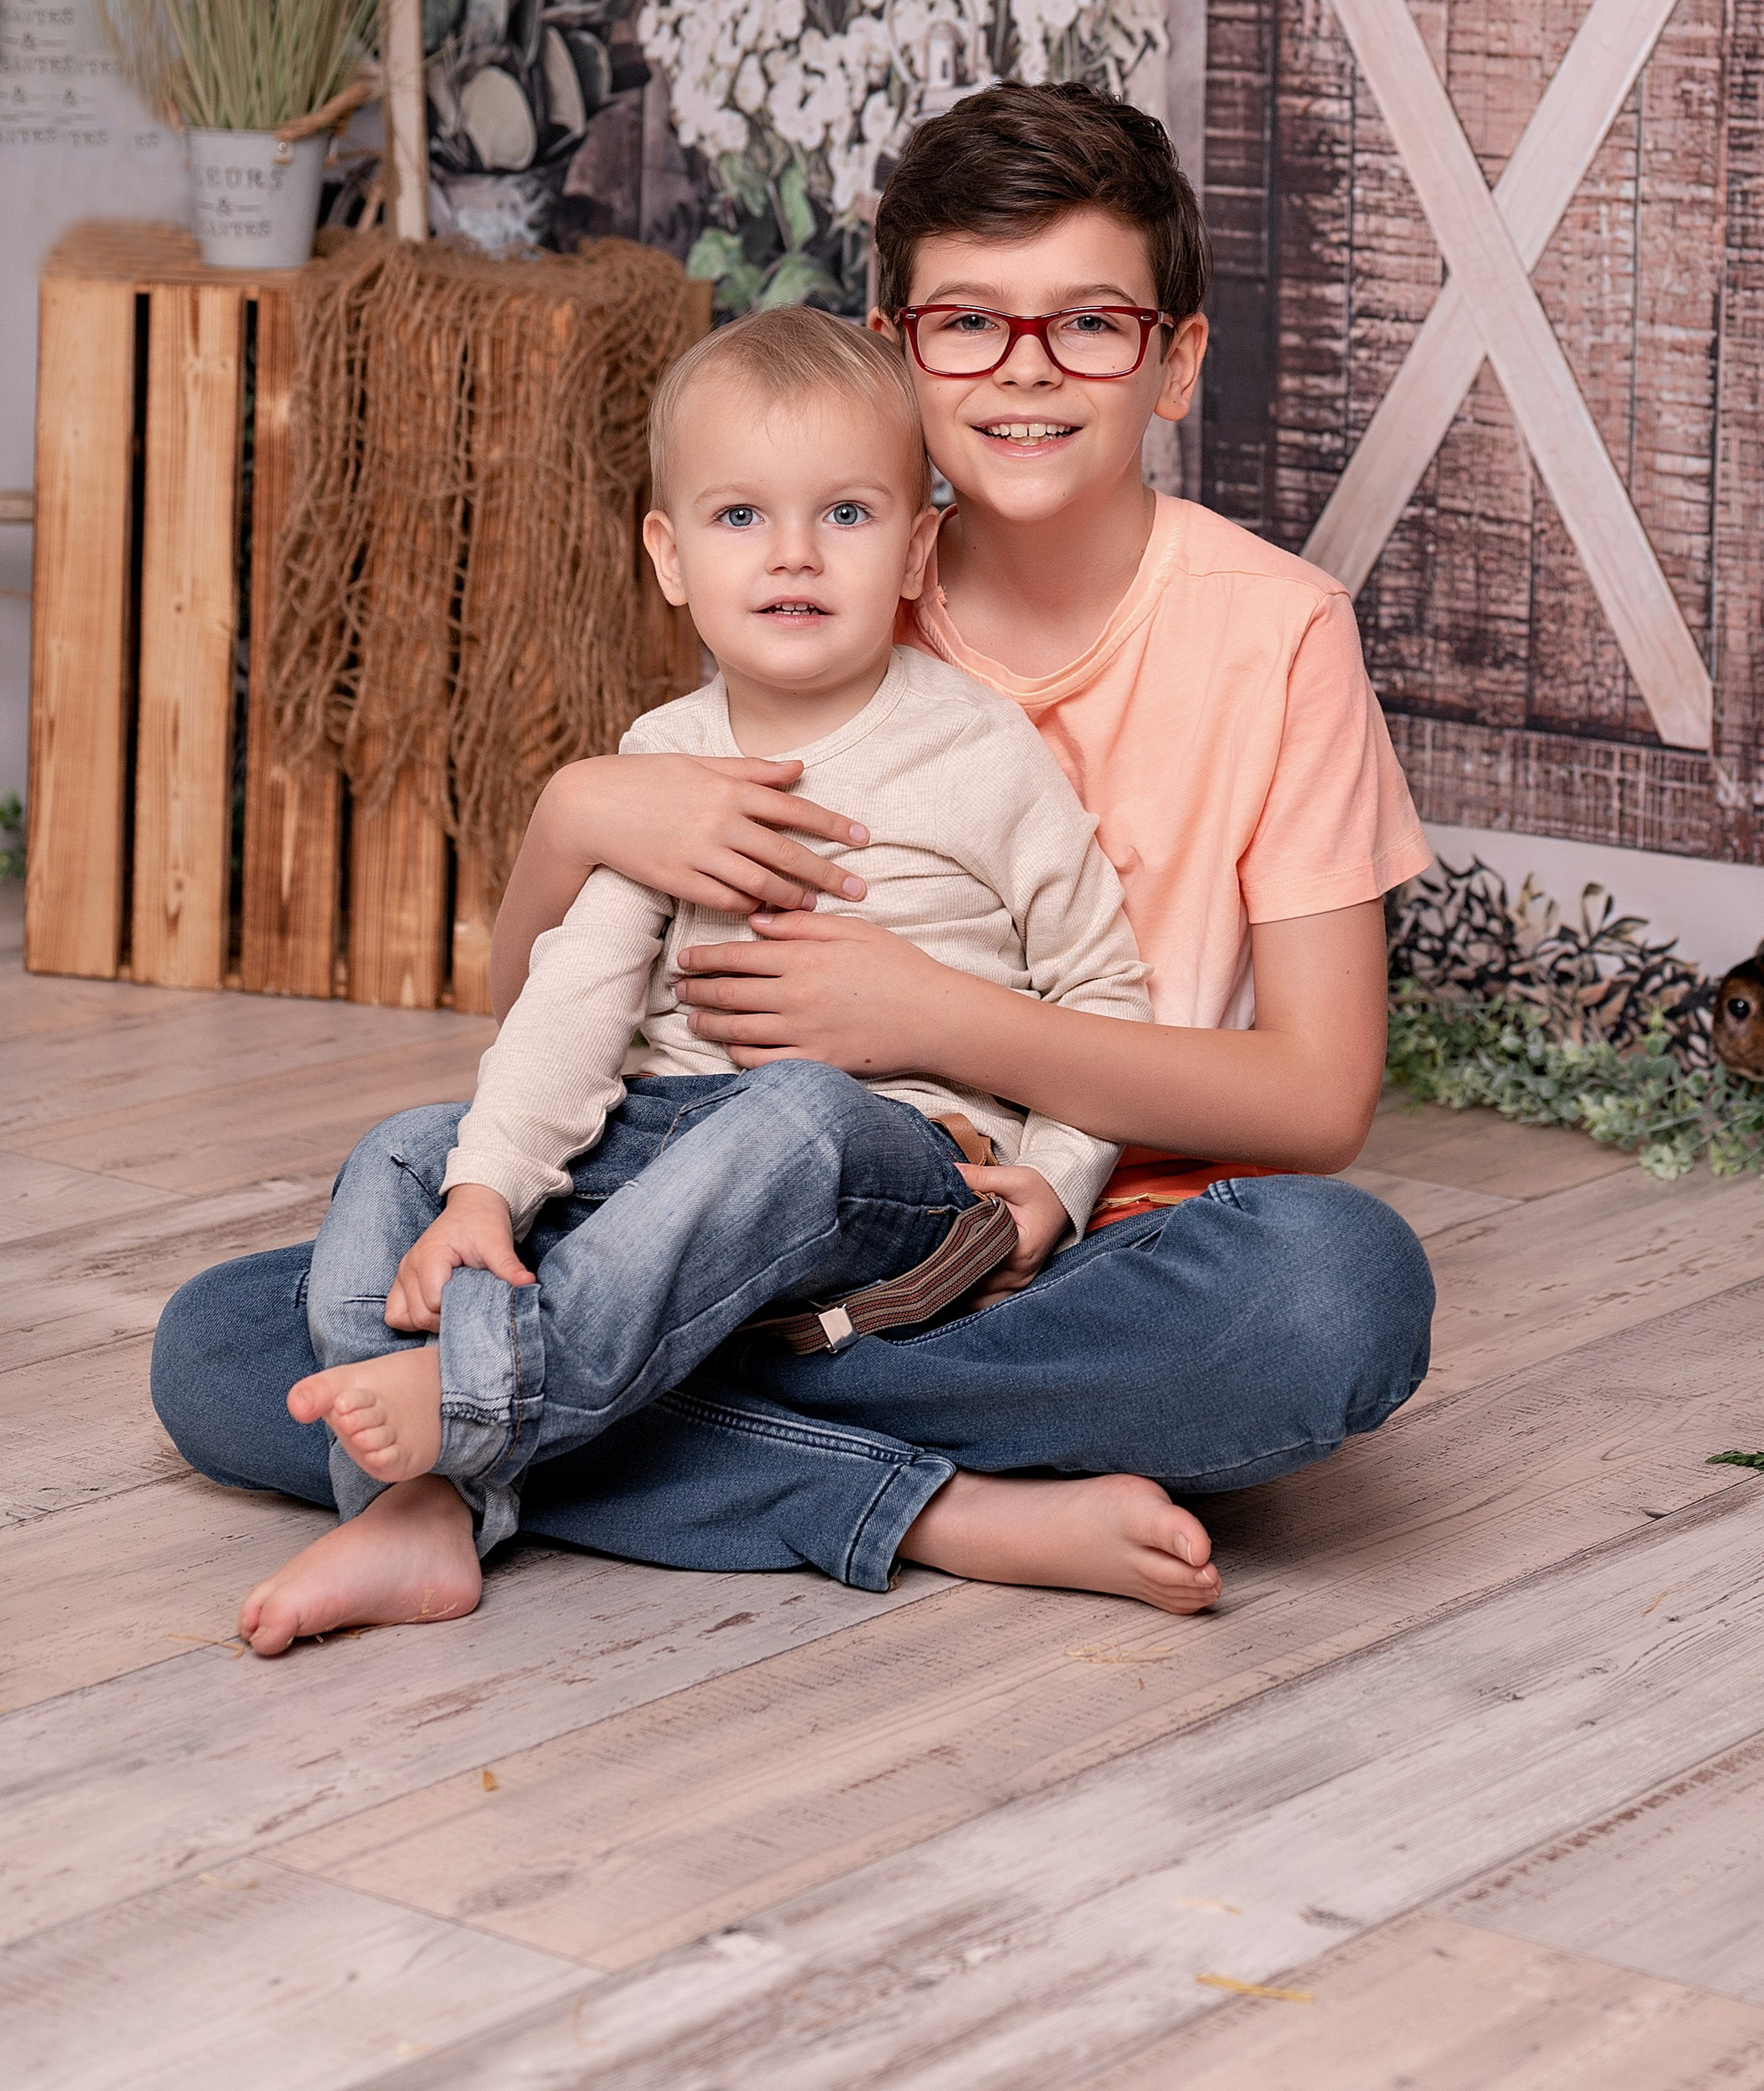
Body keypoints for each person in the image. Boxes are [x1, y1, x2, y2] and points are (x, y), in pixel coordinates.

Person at [151, 84, 1437, 1633]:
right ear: (899, 348)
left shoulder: (1275, 632)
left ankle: (548, 1416)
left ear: (1175, 359)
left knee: (1332, 1291)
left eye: (1091, 324)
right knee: (220, 1344)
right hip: (687, 1210)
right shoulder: (798, 575)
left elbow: (1318, 1096)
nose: (1026, 370)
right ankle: (938, 1504)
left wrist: (932, 1026)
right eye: (970, 323)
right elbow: (539, 1018)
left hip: (1045, 1254)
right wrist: (575, 811)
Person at [256, 304, 1149, 1645]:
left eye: (845, 514)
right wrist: (486, 1195)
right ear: (670, 556)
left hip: (891, 1165)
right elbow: (574, 1001)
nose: (792, 551)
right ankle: (422, 1513)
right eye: (740, 517)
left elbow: (1101, 994)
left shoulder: (981, 752)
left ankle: (477, 1408)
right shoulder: (659, 757)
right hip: (660, 1161)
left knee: (796, 1113)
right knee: (401, 1153)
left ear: (915, 548)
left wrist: (1059, 1180)